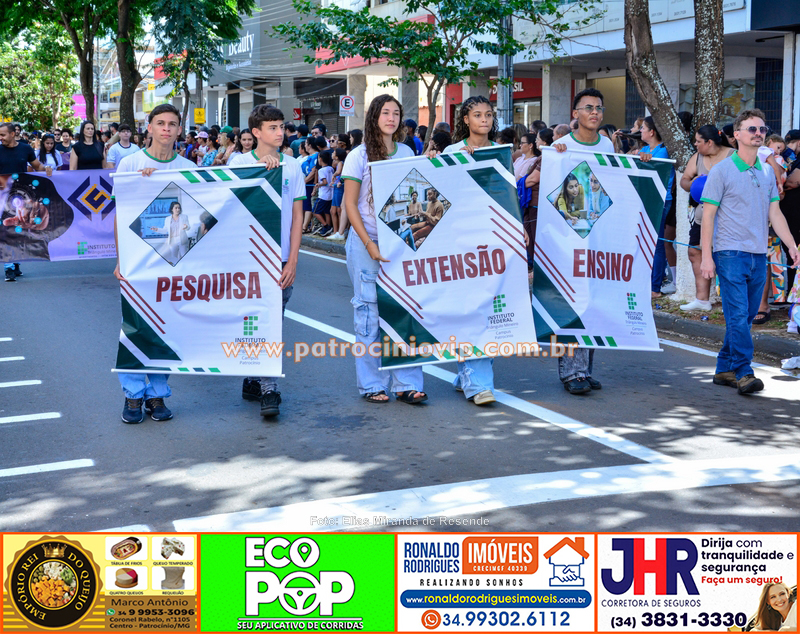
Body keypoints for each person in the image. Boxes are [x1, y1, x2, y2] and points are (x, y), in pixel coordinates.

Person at [699, 108, 800, 395]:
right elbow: (708, 216)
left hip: (759, 253)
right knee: (738, 313)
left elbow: (775, 213)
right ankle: (744, 371)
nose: (759, 134)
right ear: (737, 136)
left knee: (742, 317)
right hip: (729, 252)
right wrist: (707, 257)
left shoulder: (767, 171)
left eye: (762, 129)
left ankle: (723, 369)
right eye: (752, 129)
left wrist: (792, 246)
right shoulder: (721, 171)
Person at [113, 104, 198, 423]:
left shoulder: (189, 166)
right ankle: (132, 395)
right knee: (136, 327)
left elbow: (201, 213)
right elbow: (120, 217)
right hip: (138, 261)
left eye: (172, 124)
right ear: (147, 128)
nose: (166, 129)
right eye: (159, 123)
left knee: (167, 328)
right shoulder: (131, 164)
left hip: (174, 263)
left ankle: (157, 395)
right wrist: (121, 261)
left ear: (179, 130)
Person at [342, 94, 426, 405]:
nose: (391, 118)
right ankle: (372, 384)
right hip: (367, 243)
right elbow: (350, 204)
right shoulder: (358, 156)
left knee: (404, 311)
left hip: (402, 243)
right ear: (374, 116)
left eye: (396, 113)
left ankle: (407, 383)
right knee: (368, 314)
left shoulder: (406, 151)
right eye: (385, 112)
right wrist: (369, 244)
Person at [230, 105, 304, 418]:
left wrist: (293, 260)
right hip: (248, 257)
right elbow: (227, 205)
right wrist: (259, 169)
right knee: (258, 320)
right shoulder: (239, 162)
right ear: (256, 132)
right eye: (272, 127)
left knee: (274, 318)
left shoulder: (294, 166)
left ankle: (253, 378)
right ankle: (268, 387)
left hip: (280, 257)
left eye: (281, 126)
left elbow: (298, 216)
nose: (279, 132)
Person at [551, 87, 615, 394]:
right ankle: (570, 372)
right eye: (588, 107)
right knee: (573, 301)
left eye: (599, 108)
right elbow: (554, 194)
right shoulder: (561, 147)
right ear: (575, 114)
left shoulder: (607, 144)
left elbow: (615, 185)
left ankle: (585, 369)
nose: (595, 112)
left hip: (599, 237)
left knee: (594, 301)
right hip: (570, 237)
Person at [439, 95, 500, 406]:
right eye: (477, 115)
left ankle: (466, 374)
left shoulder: (501, 153)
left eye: (488, 114)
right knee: (470, 309)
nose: (484, 120)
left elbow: (507, 195)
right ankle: (477, 383)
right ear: (465, 120)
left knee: (490, 309)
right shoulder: (452, 152)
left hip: (494, 240)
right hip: (461, 241)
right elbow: (441, 194)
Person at [679, 125, 735, 311]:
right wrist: (692, 183)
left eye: (698, 141)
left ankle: (730, 302)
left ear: (709, 142)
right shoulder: (698, 157)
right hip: (702, 217)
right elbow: (684, 180)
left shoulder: (734, 156)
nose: (695, 144)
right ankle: (702, 300)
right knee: (695, 251)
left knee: (726, 257)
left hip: (727, 218)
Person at [0, 122, 53, 282]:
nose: (0, 138)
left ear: (12, 134)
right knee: (7, 229)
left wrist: (48, 169)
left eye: (2, 135)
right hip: (2, 196)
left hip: (21, 197)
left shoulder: (25, 149)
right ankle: (9, 267)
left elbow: (37, 166)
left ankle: (14, 264)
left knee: (17, 229)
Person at [638, 116, 676, 298]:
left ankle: (655, 287)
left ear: (652, 132)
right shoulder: (645, 149)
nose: (640, 131)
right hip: (645, 198)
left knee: (657, 244)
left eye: (643, 128)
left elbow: (650, 167)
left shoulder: (663, 151)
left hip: (661, 199)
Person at [522, 127, 553, 262]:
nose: (536, 142)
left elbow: (533, 179)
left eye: (538, 139)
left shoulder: (546, 158)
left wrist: (518, 184)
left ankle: (538, 267)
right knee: (528, 235)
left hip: (537, 203)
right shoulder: (541, 157)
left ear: (545, 142)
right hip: (530, 203)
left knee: (535, 238)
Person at [326, 148, 347, 240]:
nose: (332, 153)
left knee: (338, 210)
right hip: (336, 186)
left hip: (340, 186)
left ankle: (339, 231)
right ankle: (336, 231)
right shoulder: (337, 163)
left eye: (334, 152)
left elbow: (339, 173)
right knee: (332, 210)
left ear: (337, 156)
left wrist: (333, 176)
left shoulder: (340, 163)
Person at [312, 150, 335, 236]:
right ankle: (329, 226)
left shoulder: (321, 170)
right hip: (330, 194)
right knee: (326, 211)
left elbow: (325, 182)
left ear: (320, 159)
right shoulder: (331, 168)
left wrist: (319, 184)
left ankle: (325, 226)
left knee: (315, 211)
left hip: (323, 195)